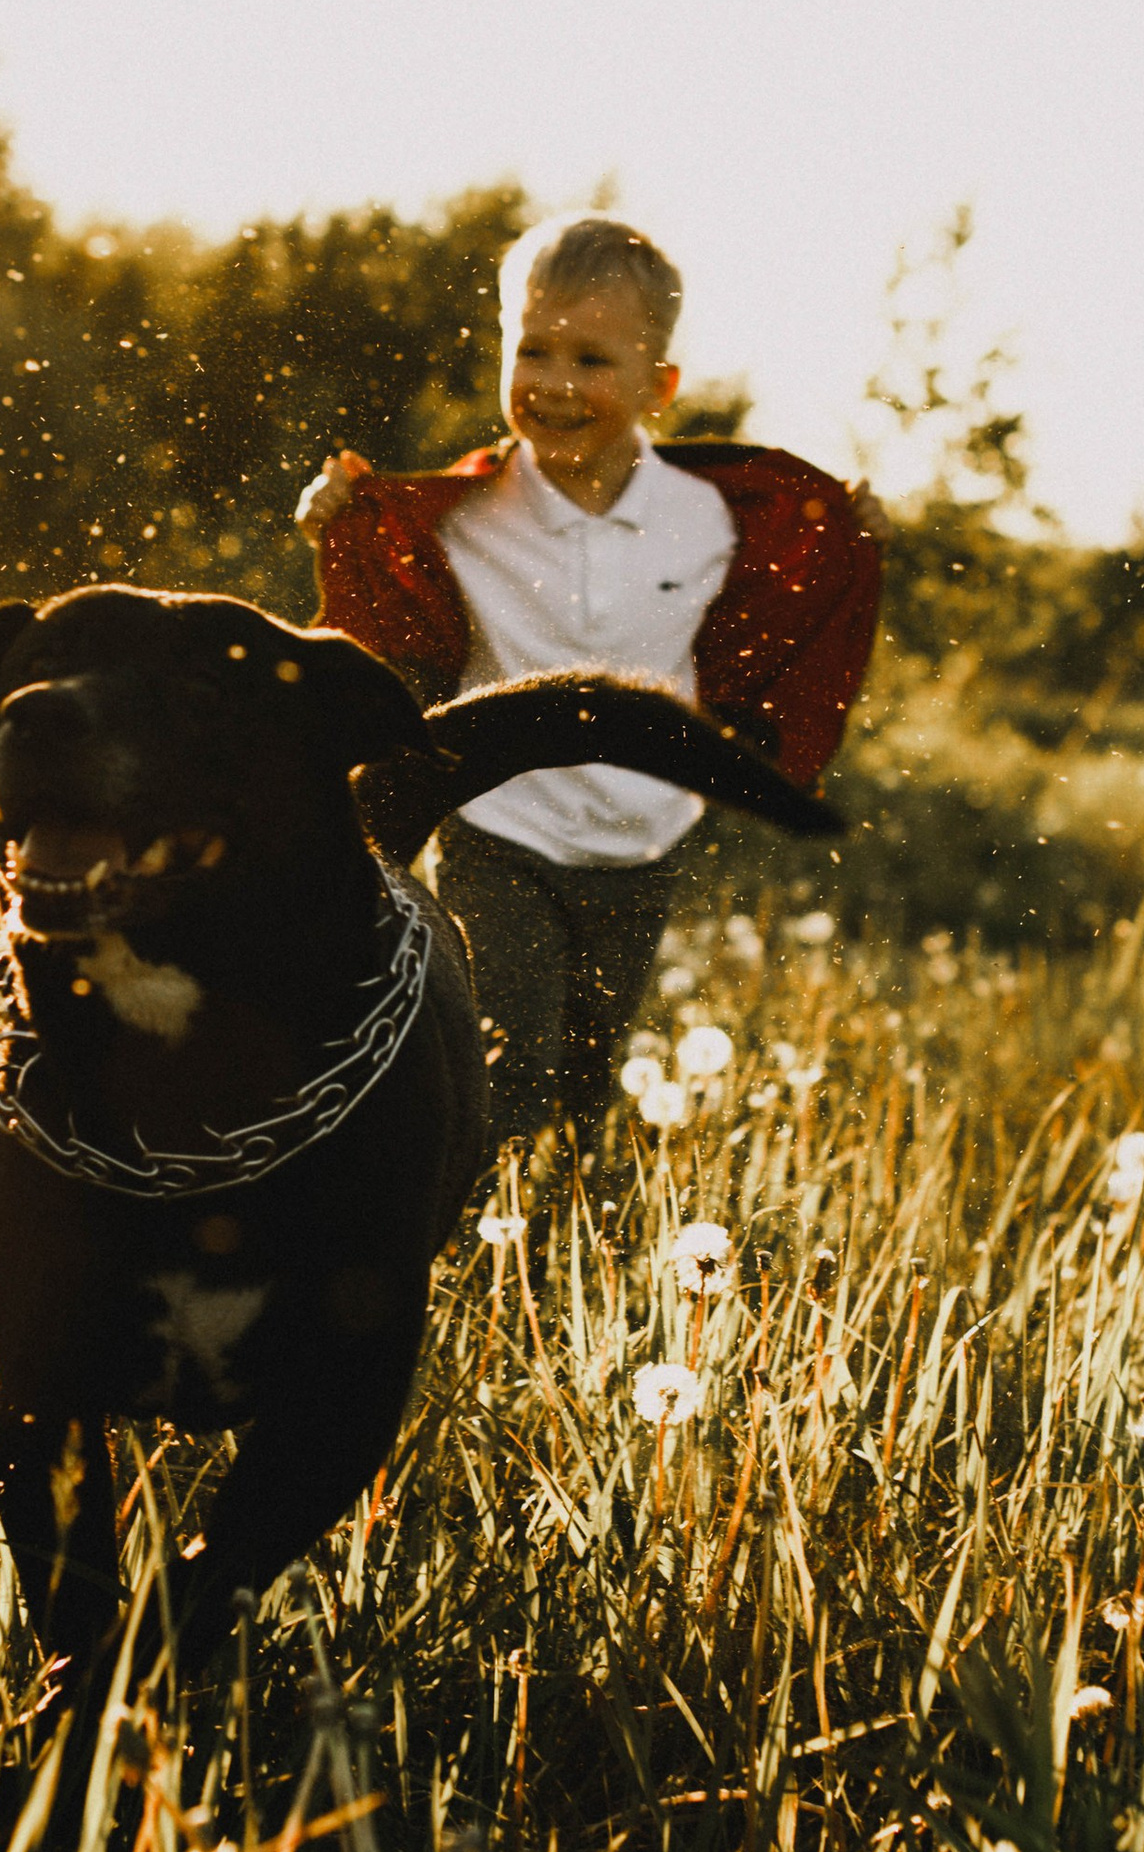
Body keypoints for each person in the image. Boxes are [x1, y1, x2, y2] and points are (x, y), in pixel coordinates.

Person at [296, 212, 880, 1162]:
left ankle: (555, 1249)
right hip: (498, 827)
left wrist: (854, 531)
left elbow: (801, 578)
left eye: (593, 360)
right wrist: (337, 518)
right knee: (503, 1059)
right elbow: (386, 606)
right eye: (534, 350)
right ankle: (451, 1230)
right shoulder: (464, 516)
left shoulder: (706, 522)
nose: (557, 384)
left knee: (584, 1078)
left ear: (661, 385)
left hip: (644, 840)